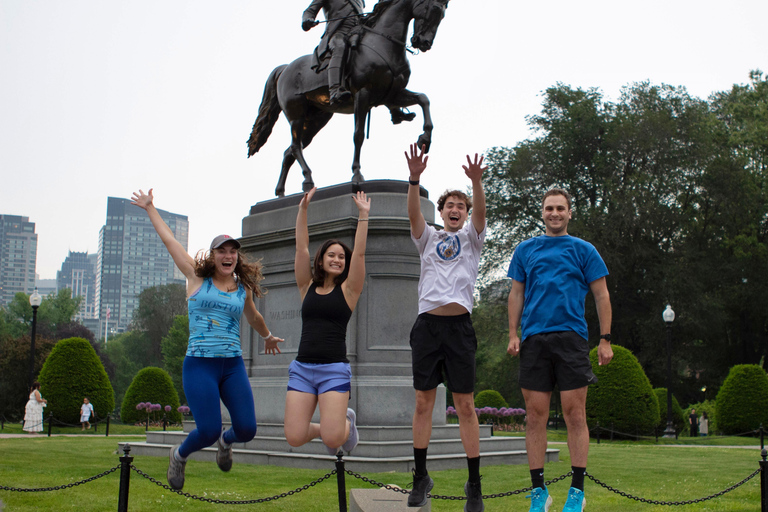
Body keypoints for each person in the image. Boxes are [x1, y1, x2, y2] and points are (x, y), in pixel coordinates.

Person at [131, 188, 284, 491]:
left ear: (237, 257)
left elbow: (253, 316)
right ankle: (179, 455)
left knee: (247, 429)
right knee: (208, 429)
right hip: (200, 365)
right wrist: (150, 208)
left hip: (232, 366)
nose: (228, 256)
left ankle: (226, 442)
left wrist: (267, 336)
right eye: (222, 251)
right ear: (213, 256)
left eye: (232, 251)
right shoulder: (196, 278)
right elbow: (170, 241)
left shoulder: (242, 288)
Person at [507, 188, 613, 512]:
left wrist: (605, 338)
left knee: (575, 414)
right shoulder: (525, 250)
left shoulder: (584, 250)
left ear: (569, 213)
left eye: (560, 208)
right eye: (549, 208)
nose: (555, 213)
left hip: (571, 339)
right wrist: (513, 333)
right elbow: (516, 294)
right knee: (535, 417)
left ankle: (577, 492)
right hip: (534, 340)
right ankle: (539, 492)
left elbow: (602, 295)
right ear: (542, 213)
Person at [404, 143, 487, 512]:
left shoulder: (471, 238)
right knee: (423, 402)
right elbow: (413, 215)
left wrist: (476, 183)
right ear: (440, 212)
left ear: (465, 214)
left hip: (459, 329)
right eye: (450, 205)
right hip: (427, 327)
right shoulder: (429, 238)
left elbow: (481, 213)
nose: (455, 209)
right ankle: (421, 476)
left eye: (461, 206)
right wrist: (414, 179)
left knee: (465, 405)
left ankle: (474, 484)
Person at [283, 188, 370, 457]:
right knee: (295, 436)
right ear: (320, 260)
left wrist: (363, 216)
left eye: (341, 257)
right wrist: (302, 210)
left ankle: (345, 424)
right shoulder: (306, 286)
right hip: (302, 369)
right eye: (331, 255)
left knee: (333, 439)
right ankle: (336, 423)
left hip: (333, 369)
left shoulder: (349, 291)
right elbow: (301, 248)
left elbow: (359, 255)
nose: (337, 259)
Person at [302, 0, 365, 105]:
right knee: (339, 47)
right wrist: (308, 20)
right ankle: (335, 90)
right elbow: (309, 11)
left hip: (358, 32)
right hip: (338, 32)